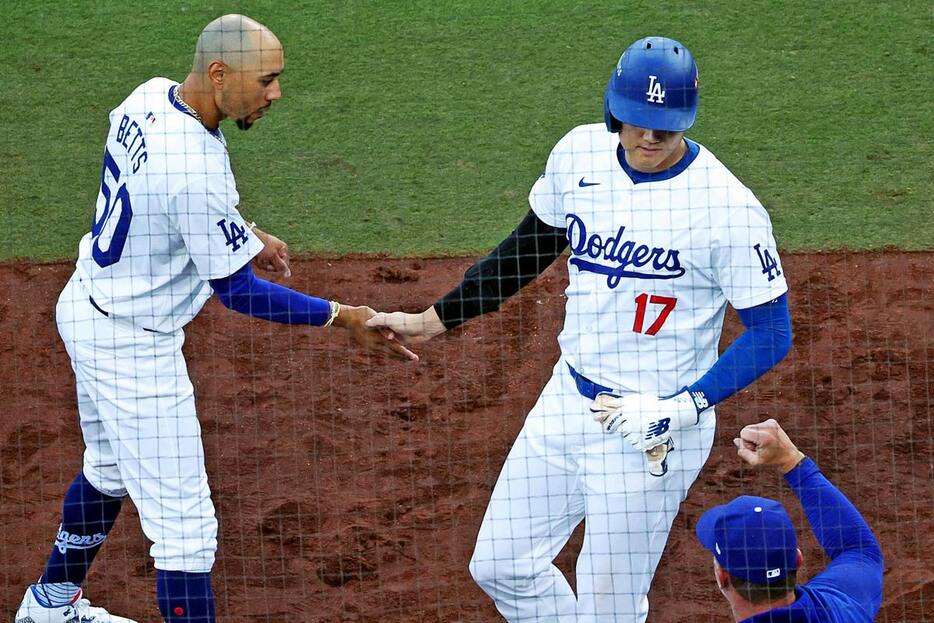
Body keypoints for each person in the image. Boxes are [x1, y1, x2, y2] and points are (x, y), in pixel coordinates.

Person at [367, 36, 793, 621]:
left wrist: (686, 407)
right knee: (500, 564)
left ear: (687, 120)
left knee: (608, 608)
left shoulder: (727, 209)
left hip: (653, 428)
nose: (648, 136)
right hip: (568, 403)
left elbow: (773, 331)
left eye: (664, 127)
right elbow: (528, 248)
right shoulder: (580, 156)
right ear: (613, 109)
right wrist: (433, 319)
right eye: (637, 121)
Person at [14, 14, 415, 623]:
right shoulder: (193, 169)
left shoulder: (149, 96)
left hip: (87, 306)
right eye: (268, 80)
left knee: (107, 469)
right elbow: (239, 293)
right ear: (220, 74)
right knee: (186, 534)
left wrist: (243, 232)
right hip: (132, 349)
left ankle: (47, 604)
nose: (275, 94)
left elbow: (163, 194)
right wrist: (343, 316)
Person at [697, 419, 884, 621]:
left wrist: (791, 461)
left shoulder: (841, 602)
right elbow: (860, 550)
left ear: (722, 576)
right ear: (797, 559)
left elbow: (861, 551)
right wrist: (792, 461)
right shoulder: (840, 608)